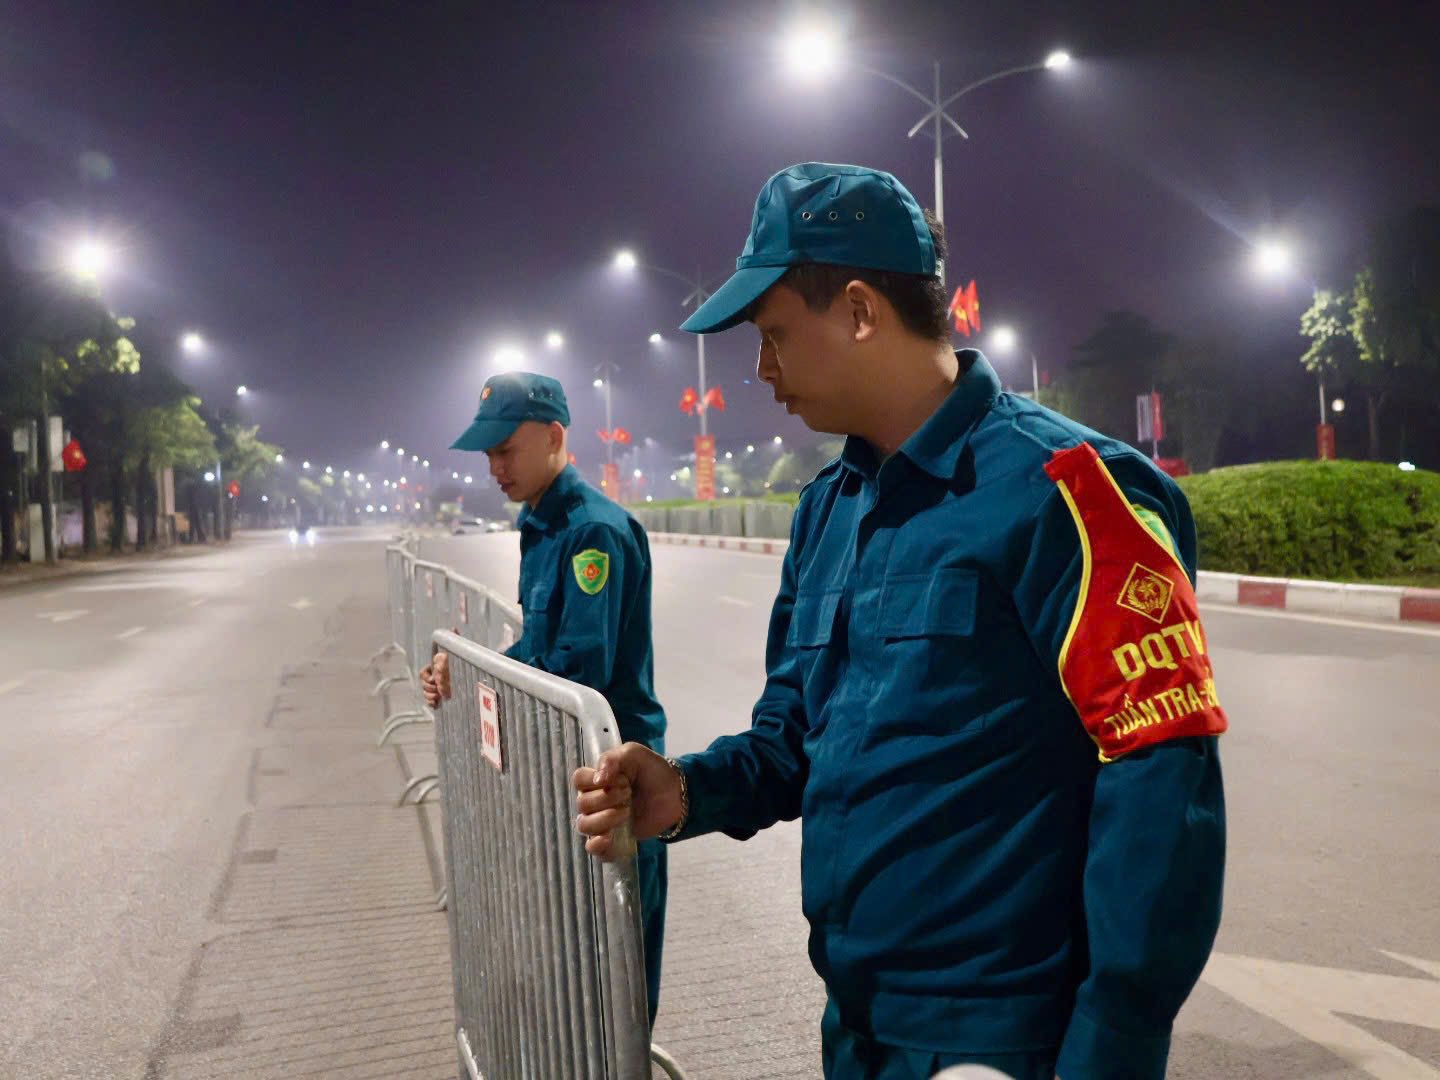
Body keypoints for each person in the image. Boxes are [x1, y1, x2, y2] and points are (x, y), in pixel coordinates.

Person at [573, 163, 1228, 1079]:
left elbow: (1163, 787)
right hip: (859, 1021)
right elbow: (794, 736)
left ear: (857, 309)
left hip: (1002, 1040)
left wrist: (1114, 1042)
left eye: (772, 336)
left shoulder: (1069, 493)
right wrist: (684, 792)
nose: (761, 371)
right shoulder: (828, 510)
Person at [420, 370, 669, 1027]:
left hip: (615, 777)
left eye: (506, 450)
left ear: (555, 436)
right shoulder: (543, 525)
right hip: (567, 772)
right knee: (575, 961)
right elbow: (540, 645)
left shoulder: (592, 533)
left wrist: (474, 671)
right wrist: (464, 666)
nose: (494, 468)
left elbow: (574, 669)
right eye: (488, 455)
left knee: (616, 974)